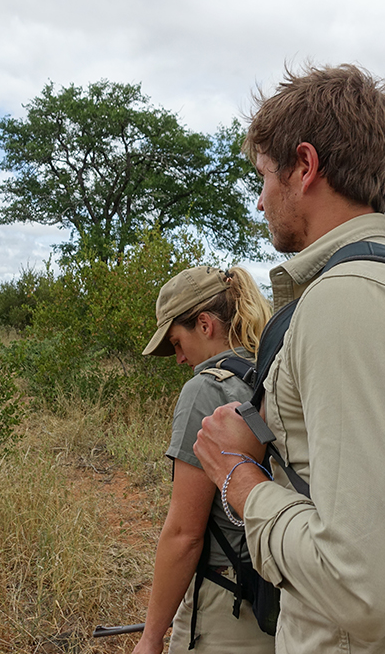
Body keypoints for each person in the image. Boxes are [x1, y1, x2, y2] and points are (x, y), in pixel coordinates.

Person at [193, 64, 385, 653]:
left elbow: (362, 589)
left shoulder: (352, 303)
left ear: (305, 167)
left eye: (264, 176)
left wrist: (239, 481)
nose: (261, 201)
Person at [134, 265, 275, 654]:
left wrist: (151, 637)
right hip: (283, 590)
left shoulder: (205, 389)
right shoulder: (272, 373)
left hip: (227, 599)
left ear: (205, 324)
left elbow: (185, 533)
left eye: (177, 342)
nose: (179, 358)